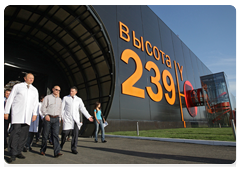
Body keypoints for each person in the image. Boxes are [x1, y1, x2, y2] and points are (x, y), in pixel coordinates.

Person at [4, 73, 39, 162]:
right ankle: (12, 152)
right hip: (17, 114)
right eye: (30, 78)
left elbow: (35, 103)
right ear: (25, 78)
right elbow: (10, 99)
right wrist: (6, 111)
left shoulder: (34, 90)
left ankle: (19, 151)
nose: (31, 79)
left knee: (23, 135)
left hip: (27, 116)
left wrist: (34, 114)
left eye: (33, 78)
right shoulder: (18, 87)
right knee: (15, 133)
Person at [61, 86, 93, 154]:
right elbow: (62, 109)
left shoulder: (79, 99)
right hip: (67, 119)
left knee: (75, 135)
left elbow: (82, 108)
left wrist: (88, 116)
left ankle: (74, 148)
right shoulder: (65, 98)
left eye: (72, 91)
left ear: (76, 92)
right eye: (70, 91)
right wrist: (62, 117)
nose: (71, 92)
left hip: (75, 119)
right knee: (65, 133)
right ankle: (61, 144)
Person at [40, 86, 63, 157]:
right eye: (56, 90)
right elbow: (43, 107)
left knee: (56, 135)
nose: (57, 91)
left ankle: (57, 152)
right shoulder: (48, 97)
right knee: (45, 135)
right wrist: (46, 115)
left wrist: (59, 118)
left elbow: (60, 109)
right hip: (48, 118)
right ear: (53, 89)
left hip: (56, 119)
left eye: (59, 90)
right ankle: (43, 150)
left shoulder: (60, 100)